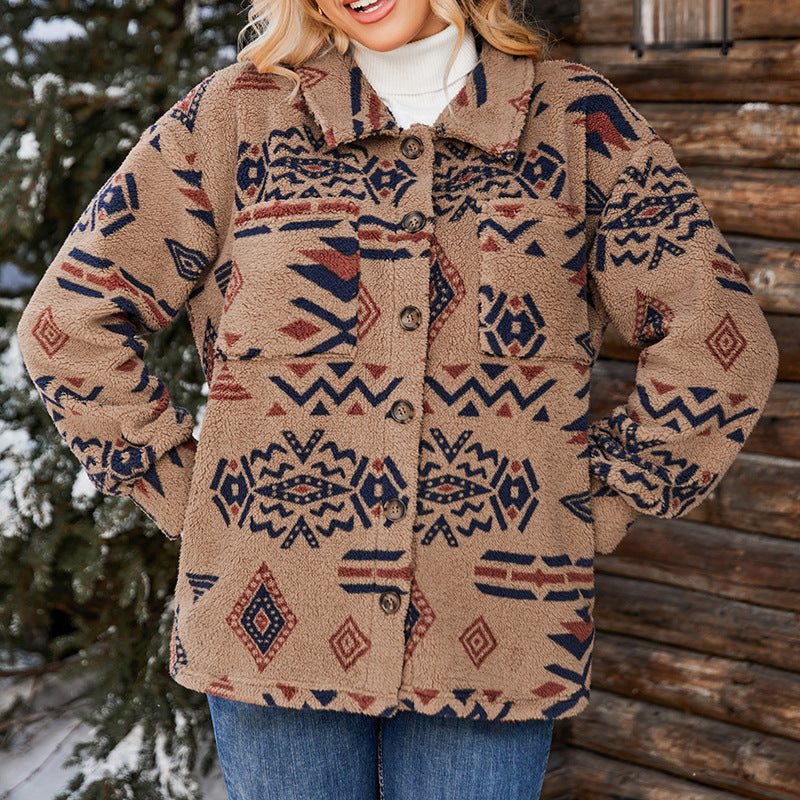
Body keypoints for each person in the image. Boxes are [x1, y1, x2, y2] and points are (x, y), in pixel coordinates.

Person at [16, 0, 778, 797]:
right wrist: (185, 493)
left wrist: (603, 503)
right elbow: (69, 324)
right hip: (270, 629)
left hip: (495, 636)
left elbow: (721, 346)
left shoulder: (576, 121)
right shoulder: (238, 117)